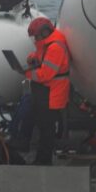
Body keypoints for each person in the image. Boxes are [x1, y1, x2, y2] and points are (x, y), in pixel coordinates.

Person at [25, 17, 71, 165]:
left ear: (44, 33)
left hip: (52, 93)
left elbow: (45, 75)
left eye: (36, 36)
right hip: (47, 92)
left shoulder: (55, 47)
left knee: (47, 129)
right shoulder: (48, 43)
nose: (35, 39)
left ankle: (44, 160)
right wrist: (32, 58)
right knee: (43, 125)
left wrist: (26, 73)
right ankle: (41, 158)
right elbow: (41, 56)